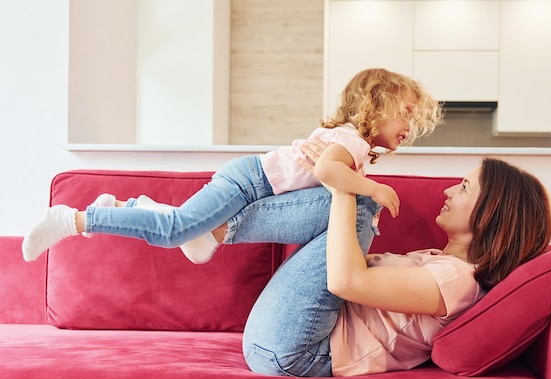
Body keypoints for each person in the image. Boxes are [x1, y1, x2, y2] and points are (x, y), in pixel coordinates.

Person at [21, 67, 442, 263]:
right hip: (248, 182)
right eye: (404, 113)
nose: (409, 126)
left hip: (253, 184)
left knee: (198, 244)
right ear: (376, 106)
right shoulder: (350, 139)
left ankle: (125, 209)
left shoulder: (356, 146)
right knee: (176, 232)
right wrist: (375, 190)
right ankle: (75, 219)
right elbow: (329, 173)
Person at [234, 153, 551, 377]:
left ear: (491, 215)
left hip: (297, 352)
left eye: (465, 187)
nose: (449, 190)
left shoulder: (458, 282)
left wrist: (345, 187)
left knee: (357, 202)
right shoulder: (439, 262)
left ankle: (220, 226)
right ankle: (220, 225)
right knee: (355, 199)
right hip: (282, 341)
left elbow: (345, 282)